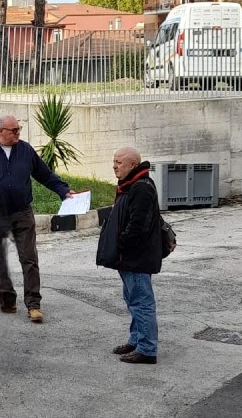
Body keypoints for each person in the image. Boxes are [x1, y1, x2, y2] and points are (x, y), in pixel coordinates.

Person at [0, 115, 76, 323]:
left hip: (22, 212)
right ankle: (7, 298)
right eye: (13, 130)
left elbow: (44, 175)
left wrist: (63, 190)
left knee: (29, 259)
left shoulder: (26, 150)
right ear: (0, 132)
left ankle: (34, 304)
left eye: (19, 129)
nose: (18, 133)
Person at [98, 147, 161, 365]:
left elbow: (138, 226)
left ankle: (147, 349)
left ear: (133, 165)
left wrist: (120, 245)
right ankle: (136, 340)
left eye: (119, 162)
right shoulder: (130, 184)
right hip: (129, 258)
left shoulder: (141, 188)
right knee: (133, 300)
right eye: (114, 161)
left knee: (141, 302)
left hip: (136, 258)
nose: (114, 166)